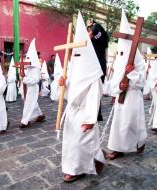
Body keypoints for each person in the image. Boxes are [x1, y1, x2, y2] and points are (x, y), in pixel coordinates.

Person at [60, 12, 105, 183]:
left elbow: (95, 94)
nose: (76, 56)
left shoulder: (92, 70)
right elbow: (66, 94)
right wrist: (63, 84)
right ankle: (84, 164)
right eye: (75, 53)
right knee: (72, 144)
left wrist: (90, 118)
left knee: (82, 143)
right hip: (72, 113)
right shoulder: (72, 67)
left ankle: (80, 168)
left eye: (79, 53)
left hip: (85, 113)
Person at [107, 10, 147, 159]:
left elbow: (142, 82)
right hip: (120, 96)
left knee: (130, 123)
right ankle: (118, 148)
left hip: (133, 95)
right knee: (119, 123)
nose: (122, 54)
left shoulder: (139, 61)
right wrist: (118, 87)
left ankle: (138, 142)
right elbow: (113, 80)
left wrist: (132, 73)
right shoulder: (119, 59)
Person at [87, 17, 109, 121]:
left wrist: (92, 29)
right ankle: (94, 112)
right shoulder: (94, 39)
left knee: (96, 89)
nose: (89, 31)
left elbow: (96, 32)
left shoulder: (98, 30)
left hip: (98, 65)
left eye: (89, 28)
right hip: (93, 64)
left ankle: (96, 113)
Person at [20, 39, 45, 128]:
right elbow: (23, 77)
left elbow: (34, 80)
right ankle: (40, 115)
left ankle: (25, 121)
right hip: (26, 87)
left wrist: (24, 78)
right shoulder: (27, 68)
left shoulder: (36, 69)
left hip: (33, 88)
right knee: (32, 103)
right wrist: (22, 76)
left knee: (29, 103)